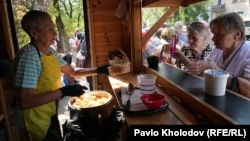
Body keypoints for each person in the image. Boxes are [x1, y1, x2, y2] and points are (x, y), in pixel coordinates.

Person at [11, 10, 110, 141]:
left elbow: (72, 72)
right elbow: (26, 101)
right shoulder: (29, 57)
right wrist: (63, 92)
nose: (55, 33)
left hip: (47, 113)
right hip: (31, 119)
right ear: (34, 33)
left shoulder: (49, 52)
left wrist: (99, 70)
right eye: (49, 29)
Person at [183, 12, 250, 98]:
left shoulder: (248, 51)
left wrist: (215, 71)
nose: (214, 39)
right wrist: (181, 57)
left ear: (237, 34)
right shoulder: (217, 50)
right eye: (214, 34)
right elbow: (199, 69)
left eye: (219, 35)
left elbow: (248, 91)